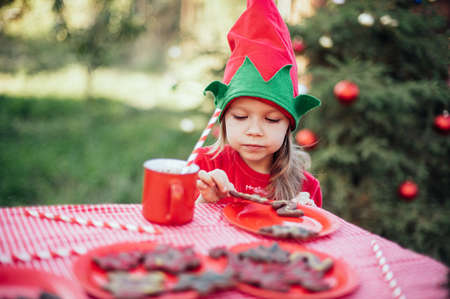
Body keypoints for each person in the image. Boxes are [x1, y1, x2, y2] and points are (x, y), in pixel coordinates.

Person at [195, 0, 322, 207]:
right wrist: (204, 201)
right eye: (240, 117)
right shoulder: (204, 166)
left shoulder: (306, 187)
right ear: (224, 117)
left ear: (288, 126)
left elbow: (317, 236)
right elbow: (180, 231)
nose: (254, 131)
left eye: (272, 119)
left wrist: (307, 218)